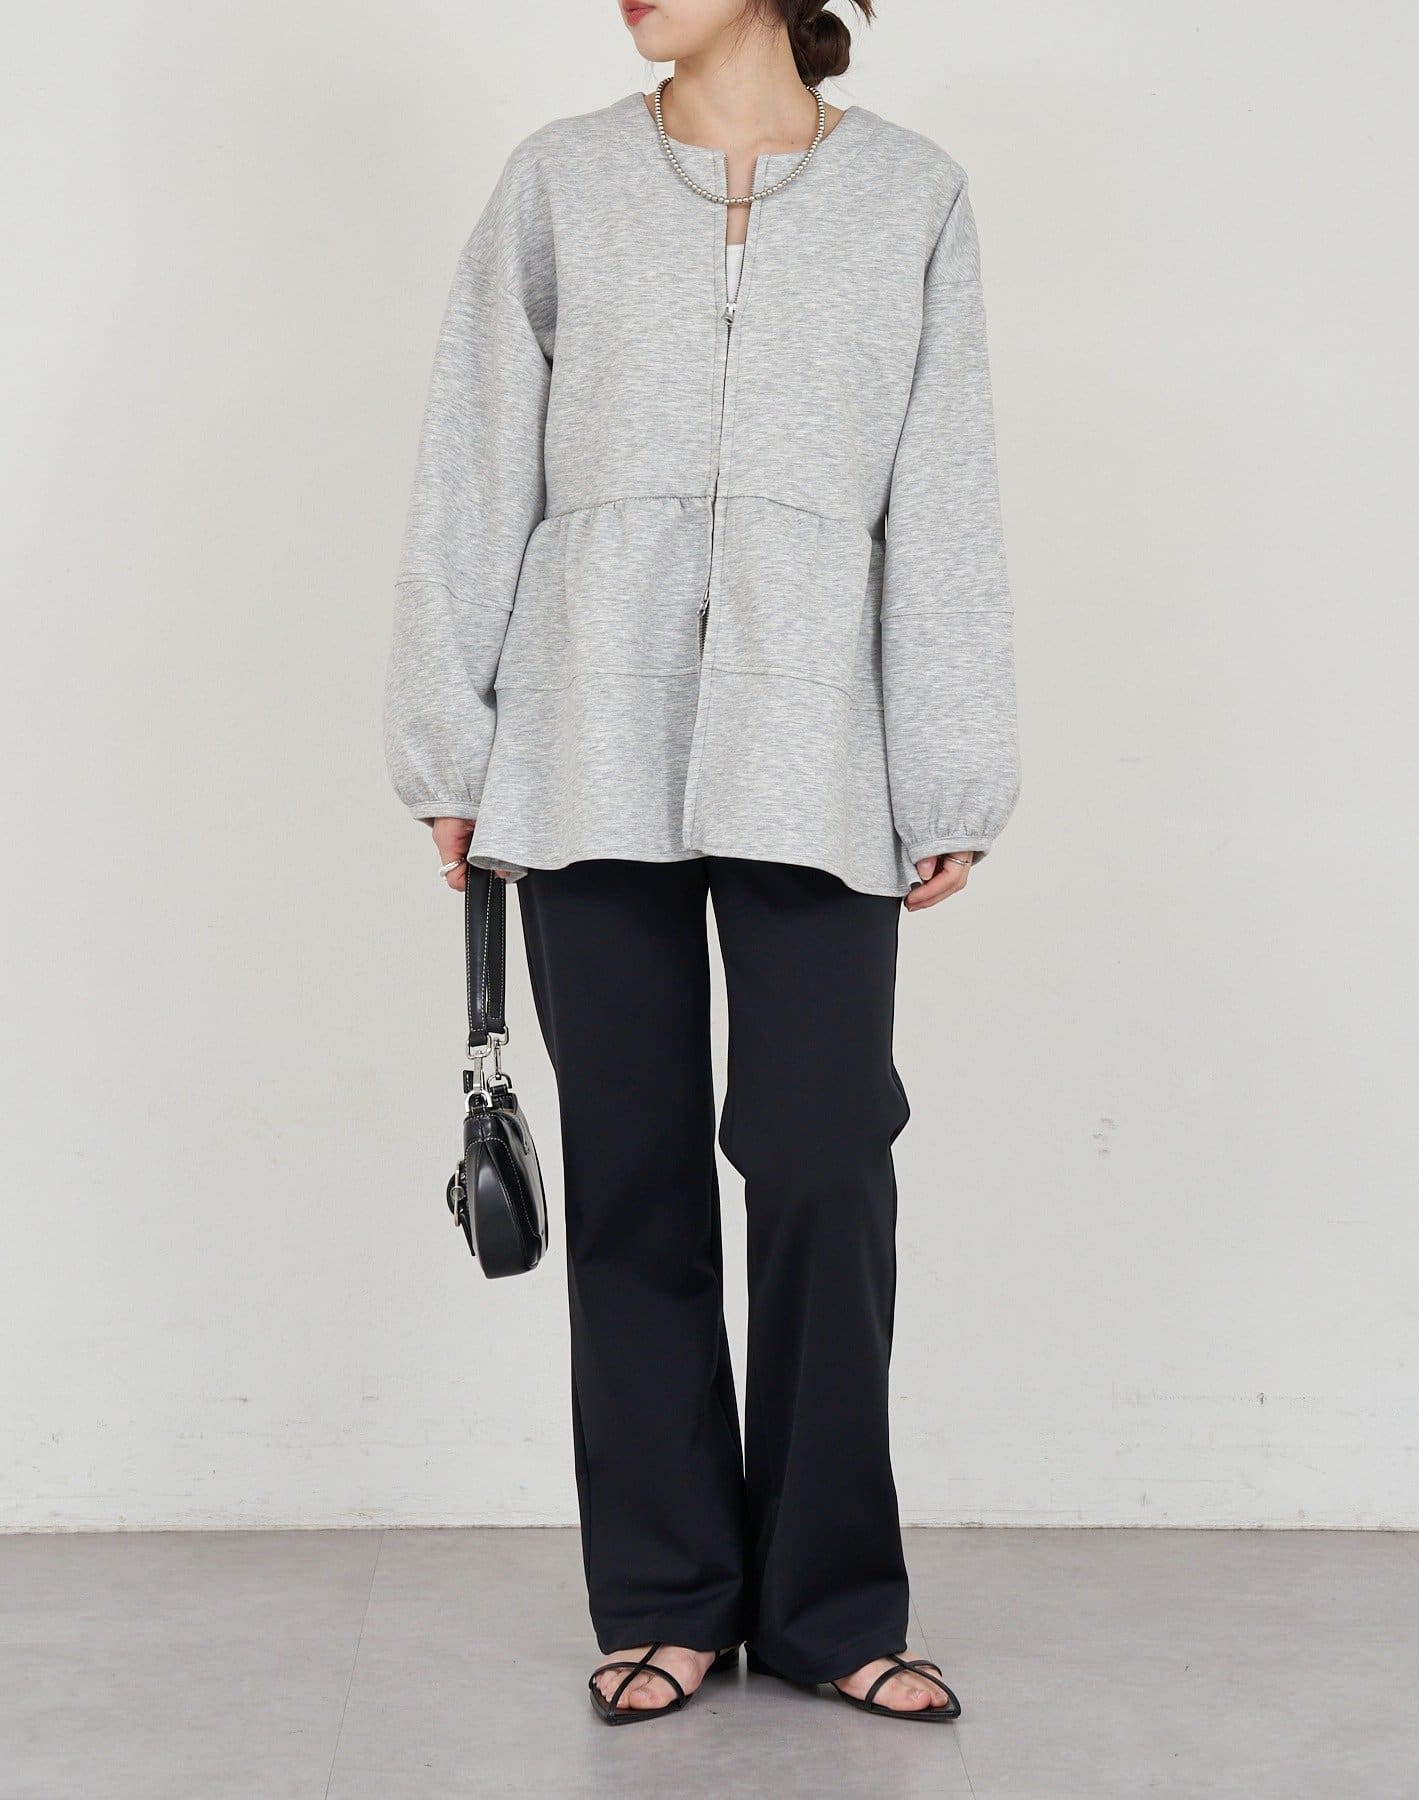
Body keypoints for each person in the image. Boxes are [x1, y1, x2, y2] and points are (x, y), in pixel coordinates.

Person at [384, 0, 1018, 1725]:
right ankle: (668, 1592)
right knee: (637, 1173)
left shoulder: (913, 197)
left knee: (821, 1155)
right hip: (584, 727)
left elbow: (943, 489)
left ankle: (830, 1605)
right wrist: (450, 738)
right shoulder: (558, 185)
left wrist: (949, 760)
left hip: (819, 743)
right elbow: (472, 463)